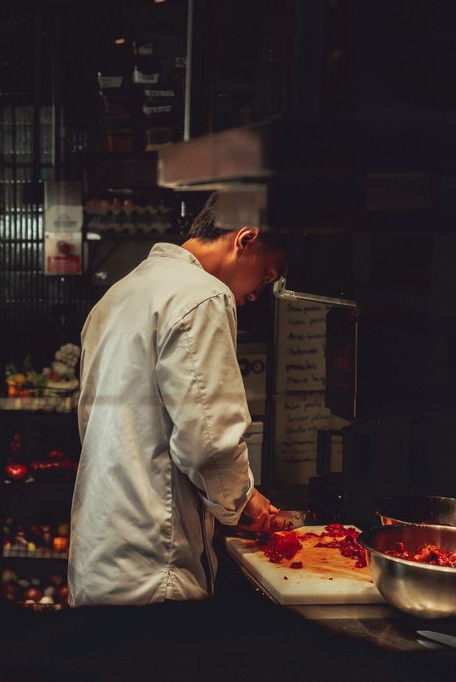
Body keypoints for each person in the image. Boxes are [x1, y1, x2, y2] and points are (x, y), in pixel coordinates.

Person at [68, 193, 293, 606]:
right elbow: (209, 442)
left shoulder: (118, 295)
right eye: (266, 276)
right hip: (156, 570)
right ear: (245, 239)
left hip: (98, 560)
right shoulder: (202, 296)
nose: (259, 292)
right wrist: (246, 502)